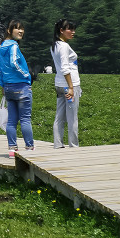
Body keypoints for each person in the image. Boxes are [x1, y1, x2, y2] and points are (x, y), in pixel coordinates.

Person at [0, 19, 34, 157]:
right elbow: (13, 63)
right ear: (9, 30)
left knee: (12, 120)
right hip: (21, 86)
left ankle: (12, 149)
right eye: (17, 28)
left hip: (8, 87)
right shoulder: (13, 46)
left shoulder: (0, 46)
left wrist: (2, 84)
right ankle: (29, 149)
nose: (21, 31)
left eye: (22, 28)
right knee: (25, 119)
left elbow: (2, 67)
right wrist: (26, 75)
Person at [51, 18, 80, 149]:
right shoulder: (63, 46)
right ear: (61, 31)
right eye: (70, 29)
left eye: (73, 29)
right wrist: (71, 87)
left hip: (59, 84)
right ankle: (74, 146)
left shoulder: (55, 45)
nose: (73, 32)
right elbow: (65, 68)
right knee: (72, 117)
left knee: (60, 115)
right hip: (69, 84)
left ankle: (58, 144)